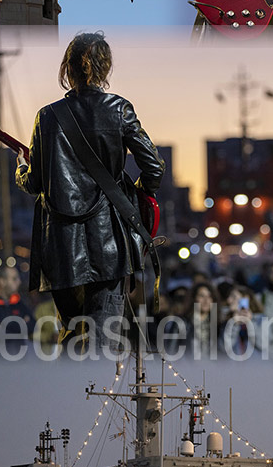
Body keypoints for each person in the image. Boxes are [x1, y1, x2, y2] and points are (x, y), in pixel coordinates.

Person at [16, 32, 164, 347]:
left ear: (67, 69)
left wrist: (20, 168)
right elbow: (154, 167)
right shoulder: (119, 109)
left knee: (72, 339)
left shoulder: (47, 116)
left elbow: (33, 184)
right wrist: (135, 195)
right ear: (105, 69)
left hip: (60, 248)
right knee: (104, 341)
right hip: (109, 242)